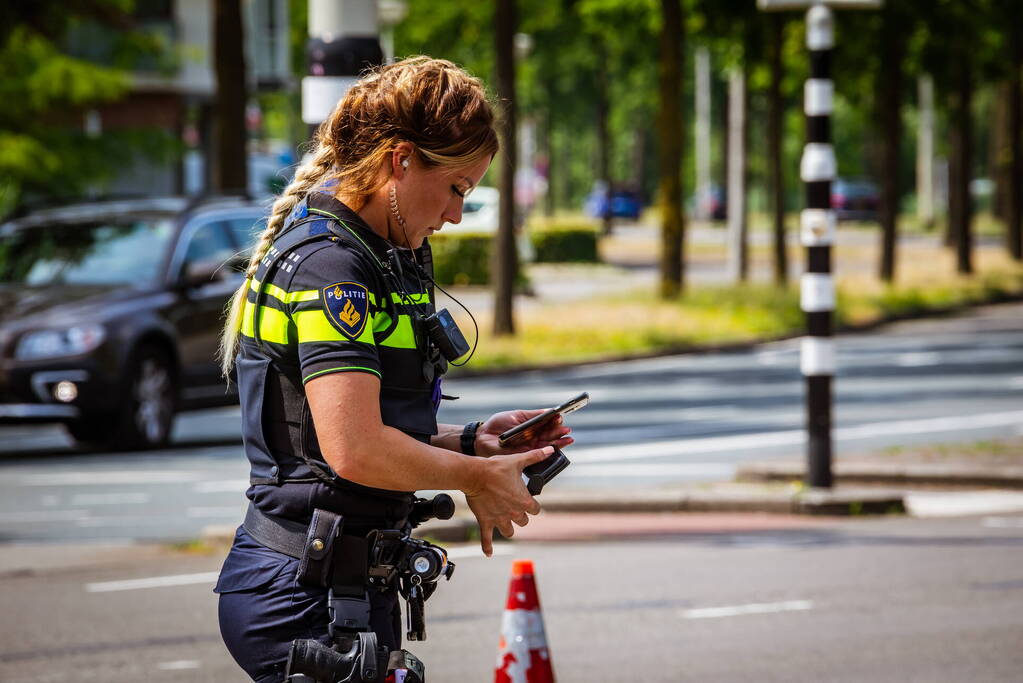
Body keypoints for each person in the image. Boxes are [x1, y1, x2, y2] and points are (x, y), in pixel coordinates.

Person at [214, 56, 573, 683]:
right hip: (301, 592)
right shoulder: (331, 268)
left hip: (344, 586)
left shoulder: (387, 254)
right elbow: (353, 450)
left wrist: (474, 442)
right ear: (402, 161)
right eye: (457, 187)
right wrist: (473, 476)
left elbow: (362, 432)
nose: (459, 213)